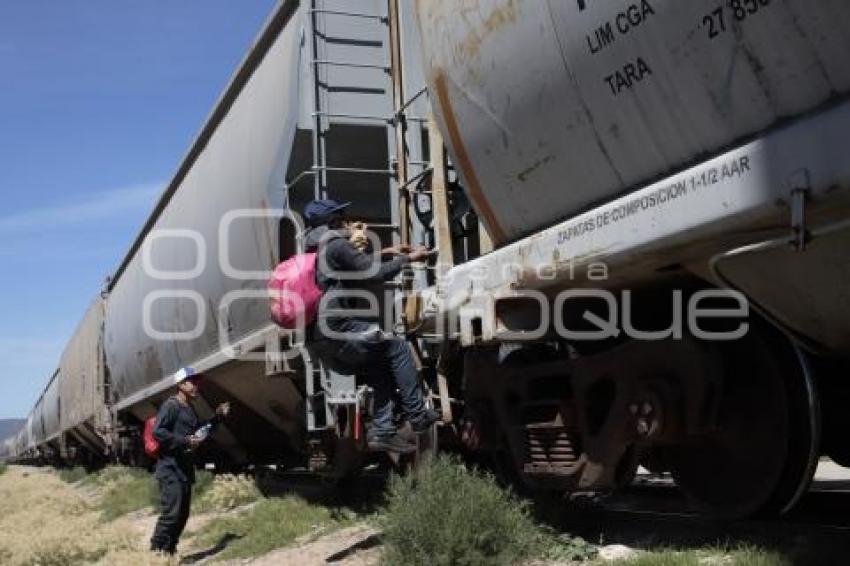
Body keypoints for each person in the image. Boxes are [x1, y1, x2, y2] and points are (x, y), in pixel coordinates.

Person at [302, 199, 439, 453]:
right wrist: (408, 259)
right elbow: (372, 274)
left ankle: (383, 431)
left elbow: (352, 265)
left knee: (379, 361)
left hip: (319, 340)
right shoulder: (336, 244)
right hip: (337, 328)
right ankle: (418, 415)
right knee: (396, 346)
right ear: (331, 222)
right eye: (341, 217)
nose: (347, 221)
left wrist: (388, 252)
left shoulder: (315, 247)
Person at [150, 367, 231, 555]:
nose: (196, 386)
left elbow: (199, 432)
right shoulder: (171, 405)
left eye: (197, 383)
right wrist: (185, 440)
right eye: (192, 382)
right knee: (171, 515)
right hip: (170, 469)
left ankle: (169, 551)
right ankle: (154, 553)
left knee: (183, 514)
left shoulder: (188, 408)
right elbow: (158, 432)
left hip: (184, 469)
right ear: (181, 385)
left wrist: (217, 417)